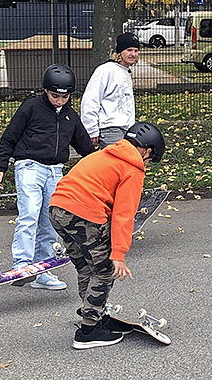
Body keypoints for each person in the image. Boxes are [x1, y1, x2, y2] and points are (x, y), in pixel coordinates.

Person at [48, 121, 166, 349]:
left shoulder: (104, 154)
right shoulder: (132, 168)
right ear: (147, 151)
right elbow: (124, 214)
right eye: (150, 160)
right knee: (104, 271)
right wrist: (118, 254)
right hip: (83, 213)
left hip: (57, 209)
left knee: (86, 267)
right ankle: (88, 331)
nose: (147, 165)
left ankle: (95, 315)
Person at [0, 64, 96, 290]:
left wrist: (102, 166)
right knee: (29, 214)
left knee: (50, 220)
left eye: (65, 97)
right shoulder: (30, 108)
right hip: (29, 166)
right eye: (55, 96)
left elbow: (85, 147)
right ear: (46, 91)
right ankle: (21, 264)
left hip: (55, 170)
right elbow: (9, 137)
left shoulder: (70, 116)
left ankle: (42, 270)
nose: (60, 101)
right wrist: (0, 166)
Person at [81, 32, 141, 147]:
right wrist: (91, 129)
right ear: (120, 52)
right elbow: (91, 99)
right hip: (110, 129)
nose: (133, 54)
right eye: (129, 50)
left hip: (127, 129)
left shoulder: (125, 72)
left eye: (136, 50)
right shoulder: (106, 70)